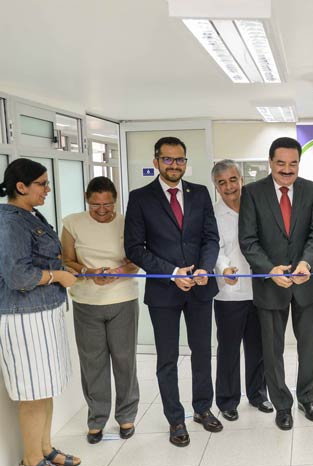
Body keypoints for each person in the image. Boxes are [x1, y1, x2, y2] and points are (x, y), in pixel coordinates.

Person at [124, 137, 222, 447]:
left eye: (180, 159)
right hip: (163, 291)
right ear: (156, 162)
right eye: (167, 159)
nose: (174, 165)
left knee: (202, 352)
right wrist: (173, 273)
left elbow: (211, 238)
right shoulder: (140, 198)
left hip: (200, 289)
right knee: (167, 358)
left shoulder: (200, 193)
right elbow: (134, 248)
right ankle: (175, 419)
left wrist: (205, 268)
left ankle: (203, 408)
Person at [239, 137, 313, 431]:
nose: (287, 169)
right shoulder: (252, 193)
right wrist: (269, 269)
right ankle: (282, 405)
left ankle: (307, 399)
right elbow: (248, 240)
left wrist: (306, 263)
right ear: (270, 162)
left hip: (307, 282)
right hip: (270, 285)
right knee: (272, 350)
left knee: (310, 348)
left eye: (293, 163)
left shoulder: (312, 190)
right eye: (281, 163)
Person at [0, 158, 80, 466]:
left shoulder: (30, 215)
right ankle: (31, 464)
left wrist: (63, 272)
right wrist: (58, 276)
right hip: (24, 318)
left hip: (43, 313)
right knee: (32, 393)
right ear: (21, 187)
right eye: (42, 184)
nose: (48, 189)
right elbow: (18, 276)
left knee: (45, 387)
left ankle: (44, 449)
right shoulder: (10, 222)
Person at [61, 177, 141, 444]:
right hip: (86, 303)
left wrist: (117, 271)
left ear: (115, 200)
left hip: (122, 299)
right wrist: (89, 271)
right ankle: (96, 419)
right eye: (96, 205)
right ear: (87, 199)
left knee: (124, 360)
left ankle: (126, 416)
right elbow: (66, 260)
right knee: (93, 364)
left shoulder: (127, 222)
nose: (102, 210)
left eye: (108, 204)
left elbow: (136, 261)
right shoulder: (72, 223)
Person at [211, 160, 272, 421]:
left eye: (233, 180)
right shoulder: (213, 214)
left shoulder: (255, 206)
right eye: (222, 183)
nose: (229, 187)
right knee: (229, 349)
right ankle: (227, 400)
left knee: (258, 348)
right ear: (216, 186)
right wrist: (224, 268)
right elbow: (213, 248)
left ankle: (258, 394)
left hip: (259, 289)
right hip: (229, 293)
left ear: (241, 180)